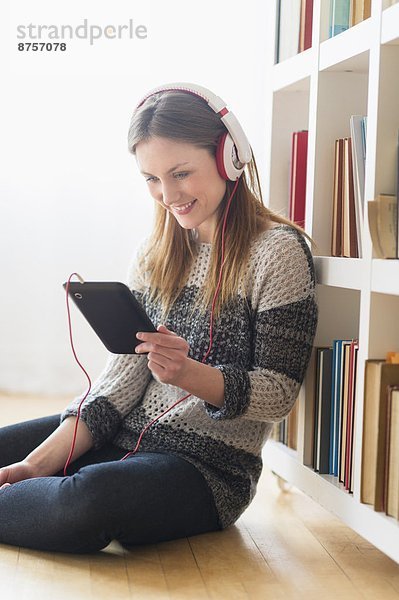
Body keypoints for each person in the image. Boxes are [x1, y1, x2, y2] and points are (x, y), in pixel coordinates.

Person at [0, 83, 318, 554]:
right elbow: (118, 384)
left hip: (208, 470)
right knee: (21, 458)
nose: (167, 195)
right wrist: (34, 467)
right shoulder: (156, 253)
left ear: (229, 156)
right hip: (123, 438)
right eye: (151, 178)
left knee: (88, 500)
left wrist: (191, 375)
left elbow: (277, 395)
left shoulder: (280, 253)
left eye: (181, 173)